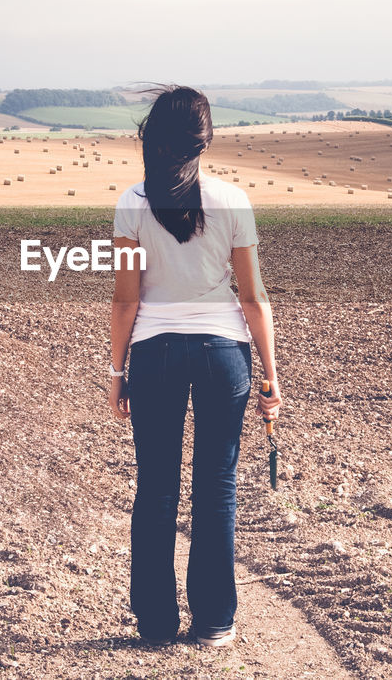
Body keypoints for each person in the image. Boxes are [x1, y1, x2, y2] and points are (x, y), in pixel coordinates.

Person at [107, 85, 282, 648]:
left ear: (151, 137)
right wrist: (271, 377)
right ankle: (214, 623)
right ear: (205, 140)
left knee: (155, 487)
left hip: (155, 353)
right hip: (223, 354)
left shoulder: (132, 202)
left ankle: (155, 625)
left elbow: (125, 300)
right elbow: (253, 298)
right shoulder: (233, 200)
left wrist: (117, 371)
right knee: (217, 487)